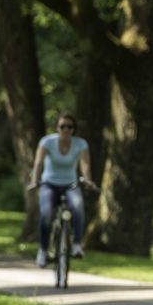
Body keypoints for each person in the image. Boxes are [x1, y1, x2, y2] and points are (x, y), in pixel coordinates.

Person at [28, 113, 95, 267]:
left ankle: (77, 245)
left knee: (78, 207)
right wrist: (34, 180)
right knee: (46, 214)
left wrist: (88, 180)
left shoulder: (80, 144)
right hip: (49, 184)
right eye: (62, 126)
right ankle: (43, 250)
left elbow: (85, 164)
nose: (65, 129)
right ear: (57, 128)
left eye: (69, 127)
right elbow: (38, 163)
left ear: (74, 129)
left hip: (70, 184)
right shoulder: (47, 142)